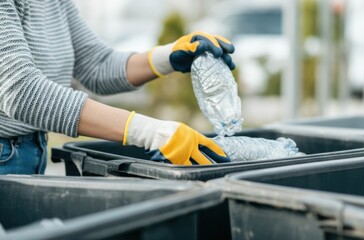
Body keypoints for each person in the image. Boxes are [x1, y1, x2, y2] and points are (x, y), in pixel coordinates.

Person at [0, 0, 235, 175]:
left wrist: (168, 55)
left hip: (31, 147)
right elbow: (20, 91)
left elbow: (96, 65)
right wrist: (150, 132)